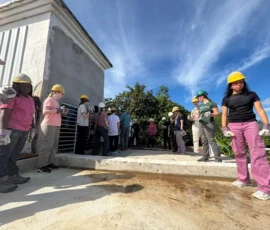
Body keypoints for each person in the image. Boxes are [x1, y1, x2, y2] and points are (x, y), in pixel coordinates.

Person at [221, 71, 270, 200]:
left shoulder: (252, 95)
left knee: (257, 153)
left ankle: (265, 188)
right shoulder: (226, 99)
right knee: (238, 153)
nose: (239, 84)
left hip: (250, 124)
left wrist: (266, 125)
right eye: (236, 83)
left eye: (241, 82)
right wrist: (224, 129)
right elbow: (224, 114)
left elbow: (260, 109)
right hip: (233, 126)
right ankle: (243, 179)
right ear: (230, 85)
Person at [0, 73, 35, 193]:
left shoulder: (30, 99)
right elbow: (5, 113)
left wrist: (32, 128)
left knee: (13, 155)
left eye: (29, 86)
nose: (27, 88)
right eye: (24, 86)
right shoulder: (11, 97)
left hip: (24, 130)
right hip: (12, 130)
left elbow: (32, 115)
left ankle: (13, 175)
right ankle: (2, 181)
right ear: (16, 86)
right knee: (3, 155)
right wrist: (3, 132)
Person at [38, 84, 67, 173]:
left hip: (56, 125)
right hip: (49, 124)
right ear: (56, 92)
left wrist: (63, 112)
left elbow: (55, 112)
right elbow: (45, 111)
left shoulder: (57, 103)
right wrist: (58, 110)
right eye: (61, 93)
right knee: (47, 145)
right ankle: (42, 166)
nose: (62, 95)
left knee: (54, 146)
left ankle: (49, 163)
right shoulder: (49, 100)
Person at [196, 90, 222, 162]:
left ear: (202, 96)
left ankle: (218, 158)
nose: (198, 99)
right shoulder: (201, 106)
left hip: (209, 122)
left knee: (211, 140)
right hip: (201, 123)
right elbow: (198, 114)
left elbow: (216, 113)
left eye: (198, 98)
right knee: (204, 140)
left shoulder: (212, 103)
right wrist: (197, 117)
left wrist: (210, 114)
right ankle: (205, 156)